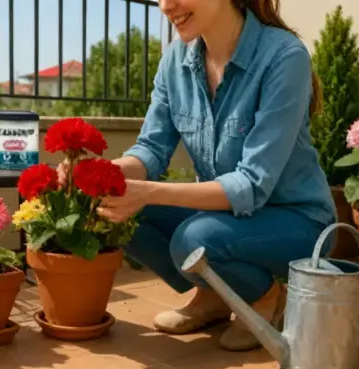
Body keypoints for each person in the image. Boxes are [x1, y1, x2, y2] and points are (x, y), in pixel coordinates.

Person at [61, 0, 337, 351]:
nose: (164, 6)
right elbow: (151, 150)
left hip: (297, 221)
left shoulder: (283, 57)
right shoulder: (176, 61)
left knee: (194, 240)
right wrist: (101, 174)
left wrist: (147, 192)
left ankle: (265, 296)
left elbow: (251, 185)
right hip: (229, 217)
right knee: (117, 208)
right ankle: (216, 297)